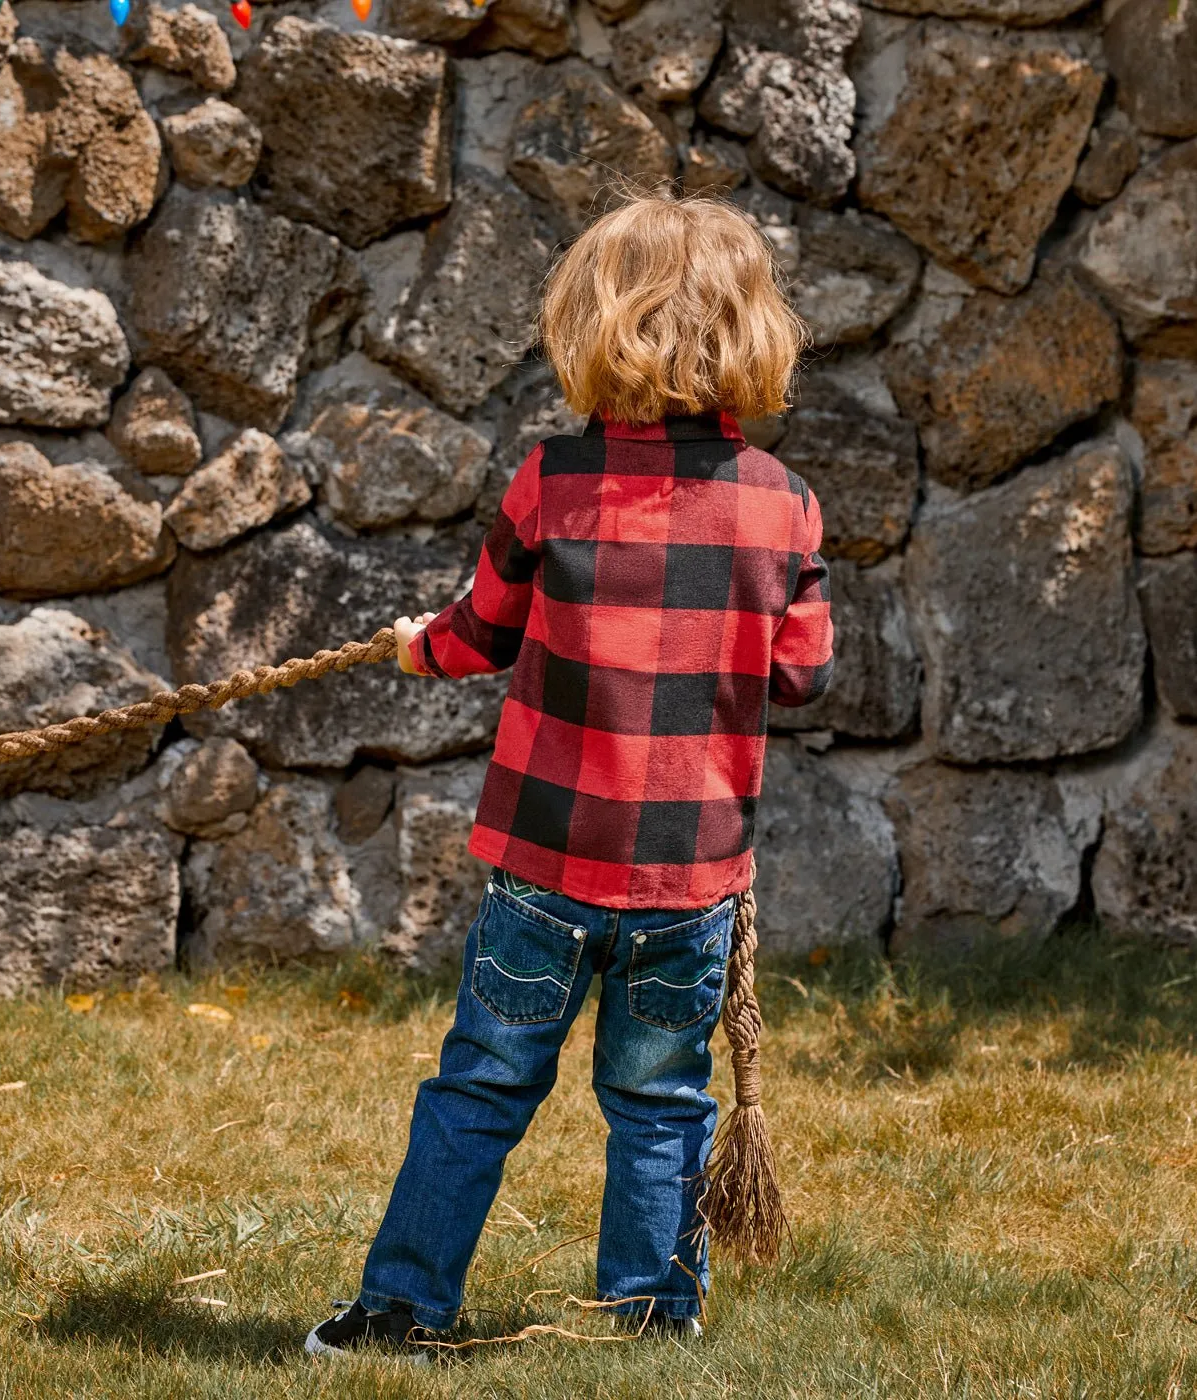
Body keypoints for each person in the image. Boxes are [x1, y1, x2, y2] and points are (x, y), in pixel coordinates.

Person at [306, 190, 834, 1359]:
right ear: (752, 331)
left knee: (483, 1085)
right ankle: (650, 1316)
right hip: (691, 879)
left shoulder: (549, 481)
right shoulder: (783, 504)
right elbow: (800, 672)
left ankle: (400, 1310)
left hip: (546, 867)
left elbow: (477, 633)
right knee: (658, 1101)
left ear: (594, 322)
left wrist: (415, 642)